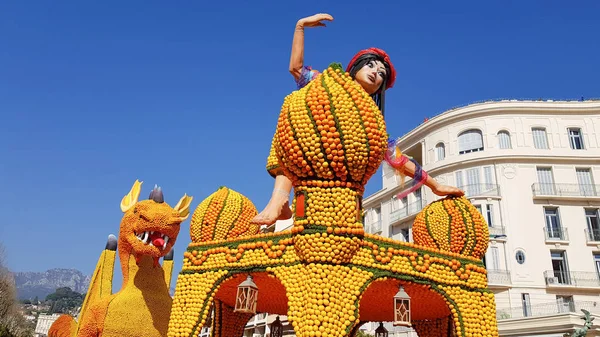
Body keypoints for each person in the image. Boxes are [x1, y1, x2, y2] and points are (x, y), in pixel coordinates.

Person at [251, 13, 463, 226]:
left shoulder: (371, 121)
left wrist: (435, 185)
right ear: (356, 67)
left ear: (381, 87)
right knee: (296, 117)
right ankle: (279, 199)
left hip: (343, 190)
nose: (375, 73)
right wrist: (300, 27)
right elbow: (296, 69)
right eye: (370, 66)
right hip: (309, 161)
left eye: (381, 74)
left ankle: (283, 201)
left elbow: (397, 158)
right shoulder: (326, 83)